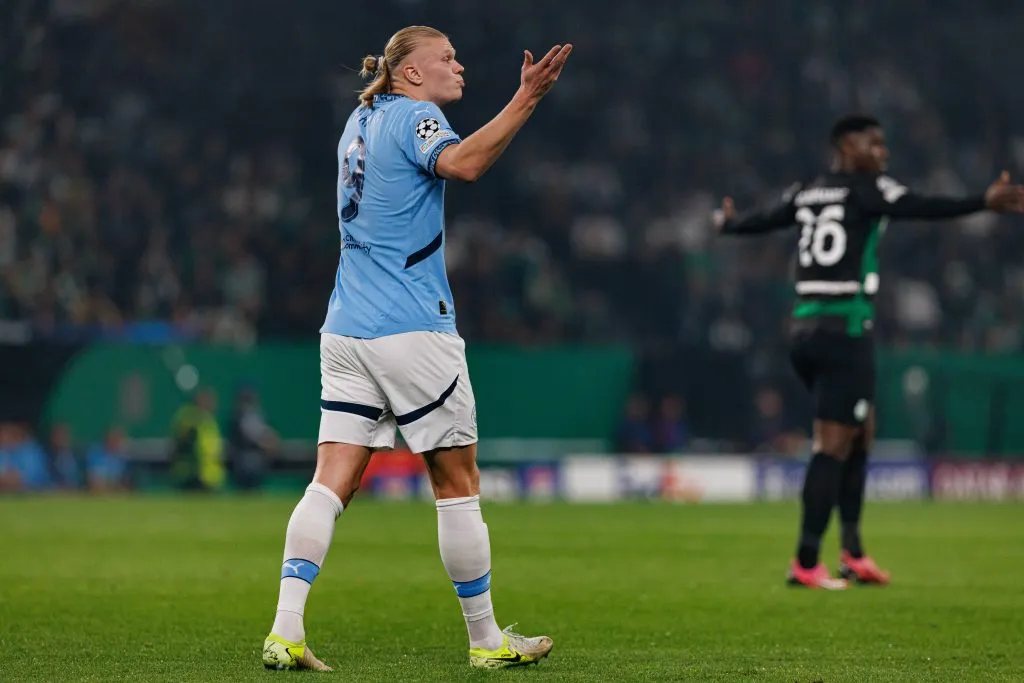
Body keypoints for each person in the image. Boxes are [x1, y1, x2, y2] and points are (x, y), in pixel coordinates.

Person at [261, 26, 572, 671]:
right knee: (456, 483)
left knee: (329, 483)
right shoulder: (415, 117)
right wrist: (527, 99)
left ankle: (285, 631)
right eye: (446, 58)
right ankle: (486, 640)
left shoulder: (359, 121)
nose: (459, 67)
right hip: (411, 327)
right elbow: (464, 165)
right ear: (410, 73)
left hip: (345, 326)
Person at [714, 114, 1024, 589]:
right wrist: (981, 201)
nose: (883, 152)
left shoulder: (808, 190)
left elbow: (765, 219)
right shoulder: (867, 190)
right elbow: (921, 205)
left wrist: (729, 223)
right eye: (872, 144)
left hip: (804, 330)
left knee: (861, 433)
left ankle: (853, 552)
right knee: (832, 444)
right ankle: (806, 561)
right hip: (844, 331)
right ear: (846, 147)